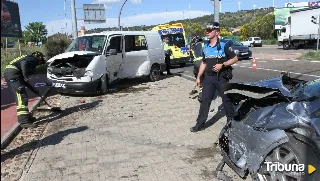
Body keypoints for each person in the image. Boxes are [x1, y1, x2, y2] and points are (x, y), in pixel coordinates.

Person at [190, 21, 238, 132]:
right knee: (205, 100)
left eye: (209, 30)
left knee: (226, 100)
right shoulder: (205, 46)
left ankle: (231, 123)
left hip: (222, 77)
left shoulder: (224, 45)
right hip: (209, 78)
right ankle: (199, 124)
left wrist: (223, 65)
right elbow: (204, 62)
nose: (207, 32)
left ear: (217, 32)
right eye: (206, 30)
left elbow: (235, 58)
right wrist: (198, 77)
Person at [3, 51, 46, 128]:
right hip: (13, 74)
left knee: (20, 96)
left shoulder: (26, 58)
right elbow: (24, 64)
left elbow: (24, 80)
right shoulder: (33, 59)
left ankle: (26, 118)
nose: (40, 62)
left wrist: (33, 90)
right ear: (39, 57)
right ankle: (24, 121)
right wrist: (25, 75)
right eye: (41, 59)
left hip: (11, 73)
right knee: (21, 97)